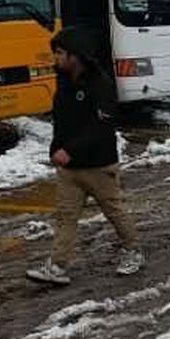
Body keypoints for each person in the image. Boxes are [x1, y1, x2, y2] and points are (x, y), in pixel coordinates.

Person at [26, 28, 143, 287]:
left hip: (98, 166)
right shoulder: (64, 83)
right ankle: (57, 266)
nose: (55, 58)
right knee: (65, 216)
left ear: (75, 56)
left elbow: (102, 127)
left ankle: (133, 250)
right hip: (69, 169)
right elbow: (62, 123)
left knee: (114, 211)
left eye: (59, 53)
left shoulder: (100, 85)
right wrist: (56, 149)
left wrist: (71, 150)